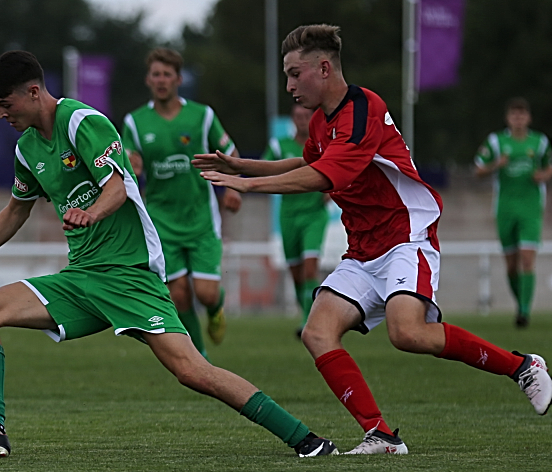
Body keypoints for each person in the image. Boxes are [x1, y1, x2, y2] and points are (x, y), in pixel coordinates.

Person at [0, 50, 337, 459]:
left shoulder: (82, 122)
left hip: (129, 276)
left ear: (33, 92)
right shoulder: (27, 150)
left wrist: (91, 213)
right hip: (81, 279)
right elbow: (17, 208)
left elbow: (118, 187)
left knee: (192, 372)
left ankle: (306, 439)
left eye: (5, 104)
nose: (1, 114)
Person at [193, 24, 552, 454]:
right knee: (317, 332)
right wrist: (242, 166)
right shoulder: (322, 124)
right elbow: (306, 161)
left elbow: (326, 174)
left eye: (294, 73)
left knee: (408, 333)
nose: (288, 85)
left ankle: (522, 366)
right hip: (363, 250)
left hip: (405, 237)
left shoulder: (362, 108)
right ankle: (380, 435)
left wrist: (248, 188)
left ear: (323, 68)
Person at [121, 48, 242, 359]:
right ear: (148, 80)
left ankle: (216, 306)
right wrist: (132, 166)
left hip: (201, 218)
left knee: (205, 292)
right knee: (178, 295)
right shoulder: (135, 122)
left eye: (167, 74)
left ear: (178, 78)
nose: (161, 80)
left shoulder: (202, 116)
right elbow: (128, 161)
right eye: (156, 74)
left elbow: (230, 152)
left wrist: (233, 187)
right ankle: (198, 356)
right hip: (161, 221)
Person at [474, 98, 552, 328]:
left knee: (527, 260)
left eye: (522, 115)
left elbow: (549, 165)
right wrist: (496, 164)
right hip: (505, 207)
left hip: (530, 208)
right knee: (511, 264)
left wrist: (544, 175)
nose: (518, 119)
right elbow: (478, 170)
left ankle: (524, 312)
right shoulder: (497, 141)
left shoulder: (539, 142)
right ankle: (520, 303)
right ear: (508, 118)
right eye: (514, 115)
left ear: (528, 117)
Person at [261, 103, 329, 337]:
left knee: (310, 269)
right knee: (296, 273)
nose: (302, 120)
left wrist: (333, 188)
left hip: (314, 215)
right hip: (288, 215)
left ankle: (306, 324)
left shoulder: (323, 145)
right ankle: (309, 318)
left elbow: (340, 169)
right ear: (292, 119)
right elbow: (264, 167)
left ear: (313, 118)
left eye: (306, 116)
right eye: (297, 116)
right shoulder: (280, 146)